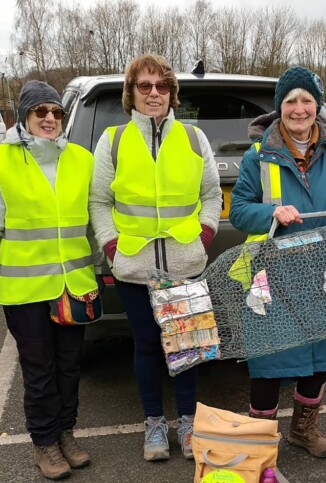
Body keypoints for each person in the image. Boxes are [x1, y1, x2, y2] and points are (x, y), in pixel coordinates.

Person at [90, 54, 222, 462]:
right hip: (134, 266)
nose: (153, 94)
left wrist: (204, 235)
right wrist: (111, 246)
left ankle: (187, 423)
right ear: (131, 93)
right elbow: (99, 200)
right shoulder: (112, 140)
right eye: (144, 86)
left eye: (161, 87)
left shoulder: (194, 139)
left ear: (172, 94)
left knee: (187, 348)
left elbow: (211, 194)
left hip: (185, 263)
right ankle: (153, 426)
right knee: (146, 346)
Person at [0, 80, 98, 480]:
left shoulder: (81, 159)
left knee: (69, 367)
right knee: (39, 370)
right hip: (24, 290)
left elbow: (98, 217)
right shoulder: (1, 161)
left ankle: (66, 434)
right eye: (40, 111)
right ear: (24, 116)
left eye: (56, 112)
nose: (49, 118)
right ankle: (44, 442)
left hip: (72, 285)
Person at [230, 66, 326, 458]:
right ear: (279, 108)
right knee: (271, 362)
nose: (299, 109)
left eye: (306, 101)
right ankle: (260, 444)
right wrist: (271, 212)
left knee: (324, 358)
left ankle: (303, 429)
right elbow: (238, 210)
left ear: (316, 107)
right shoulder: (257, 156)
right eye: (291, 102)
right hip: (275, 274)